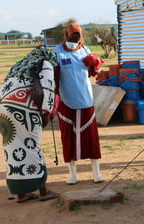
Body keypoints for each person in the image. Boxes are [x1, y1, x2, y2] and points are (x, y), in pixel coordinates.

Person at [0, 46, 58, 203]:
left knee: (12, 146)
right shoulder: (45, 63)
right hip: (22, 107)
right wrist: (46, 114)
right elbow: (47, 90)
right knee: (31, 145)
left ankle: (22, 193)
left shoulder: (21, 64)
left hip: (1, 105)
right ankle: (43, 190)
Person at [54, 24, 104, 184]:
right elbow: (54, 76)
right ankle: (72, 174)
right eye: (73, 35)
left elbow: (93, 72)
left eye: (78, 35)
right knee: (68, 137)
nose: (75, 38)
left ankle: (96, 172)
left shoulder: (85, 50)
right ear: (66, 35)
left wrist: (96, 64)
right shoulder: (57, 52)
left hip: (85, 99)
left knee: (91, 137)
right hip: (66, 100)